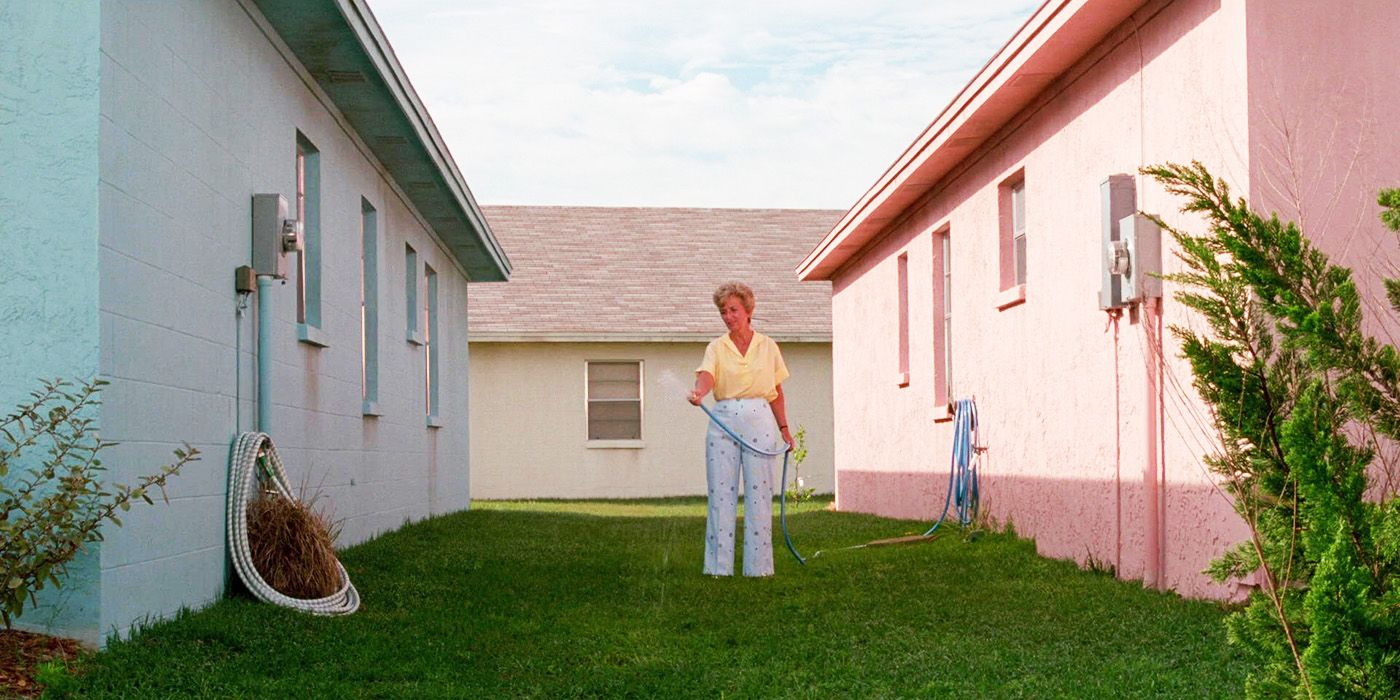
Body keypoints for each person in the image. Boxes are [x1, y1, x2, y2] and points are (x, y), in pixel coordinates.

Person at [688, 282, 794, 577]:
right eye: (723, 311)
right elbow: (707, 376)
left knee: (760, 494)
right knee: (721, 493)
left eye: (733, 309)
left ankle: (758, 569)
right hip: (723, 420)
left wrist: (784, 429)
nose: (728, 316)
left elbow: (776, 392)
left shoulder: (768, 346)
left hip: (759, 419)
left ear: (748, 310)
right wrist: (699, 392)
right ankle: (718, 569)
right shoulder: (716, 347)